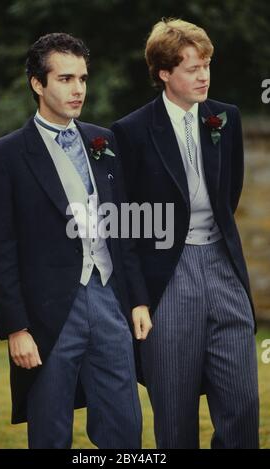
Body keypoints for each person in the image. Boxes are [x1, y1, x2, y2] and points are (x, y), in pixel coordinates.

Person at [0, 32, 152, 449]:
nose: (78, 90)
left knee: (125, 429)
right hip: (46, 315)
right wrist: (16, 327)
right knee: (51, 432)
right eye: (66, 79)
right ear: (38, 84)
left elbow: (121, 227)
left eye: (84, 79)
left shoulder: (103, 141)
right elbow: (0, 250)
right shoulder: (4, 156)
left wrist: (139, 299)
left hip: (109, 300)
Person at [111, 18, 259, 449]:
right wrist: (138, 298)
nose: (203, 75)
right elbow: (126, 226)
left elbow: (227, 195)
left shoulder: (224, 119)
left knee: (243, 403)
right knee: (174, 415)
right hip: (166, 278)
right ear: (164, 74)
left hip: (224, 268)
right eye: (192, 68)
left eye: (207, 64)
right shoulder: (131, 132)